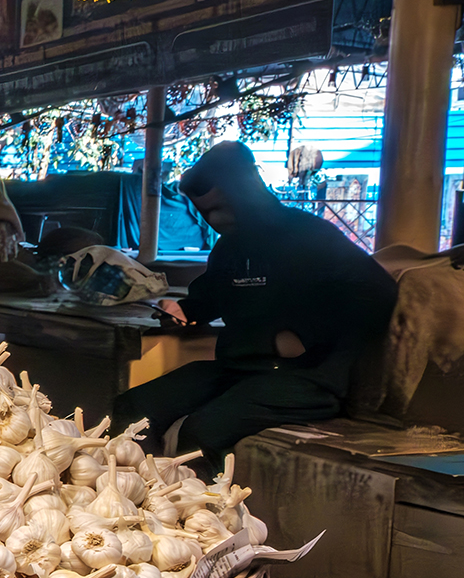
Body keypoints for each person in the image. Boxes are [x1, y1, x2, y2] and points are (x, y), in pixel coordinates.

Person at [112, 141, 396, 466]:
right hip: (239, 369)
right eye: (205, 213)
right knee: (134, 408)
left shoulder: (310, 236)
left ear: (244, 192)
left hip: (308, 380)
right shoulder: (229, 248)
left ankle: (198, 511)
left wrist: (310, 337)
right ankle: (125, 488)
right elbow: (210, 297)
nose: (214, 220)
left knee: (204, 431)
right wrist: (184, 311)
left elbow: (378, 294)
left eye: (220, 208)